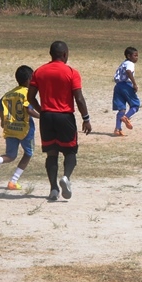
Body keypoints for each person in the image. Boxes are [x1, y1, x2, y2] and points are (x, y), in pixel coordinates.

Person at [27, 41, 92, 201]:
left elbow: (30, 97)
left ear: (51, 54)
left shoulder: (39, 71)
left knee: (51, 153)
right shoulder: (71, 72)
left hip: (47, 117)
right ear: (65, 54)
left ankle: (53, 189)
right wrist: (86, 118)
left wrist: (42, 110)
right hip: (64, 117)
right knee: (70, 152)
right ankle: (66, 177)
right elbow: (79, 98)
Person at [0, 65, 40, 190]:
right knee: (28, 153)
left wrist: (3, 121)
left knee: (10, 155)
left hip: (10, 128)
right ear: (29, 80)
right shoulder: (27, 93)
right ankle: (13, 181)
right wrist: (42, 116)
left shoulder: (9, 93)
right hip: (25, 129)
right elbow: (29, 110)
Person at [112, 47, 140, 137]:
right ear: (128, 56)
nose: (136, 58)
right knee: (135, 105)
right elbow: (128, 71)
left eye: (137, 56)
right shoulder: (130, 63)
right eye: (135, 55)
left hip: (118, 86)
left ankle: (117, 129)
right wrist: (134, 84)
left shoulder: (123, 63)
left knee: (122, 109)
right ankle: (126, 117)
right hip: (126, 86)